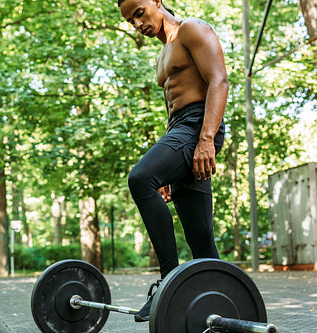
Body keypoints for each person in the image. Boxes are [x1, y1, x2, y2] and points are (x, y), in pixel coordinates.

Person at [117, 0, 229, 322]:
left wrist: (206, 139)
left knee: (139, 178)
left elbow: (218, 81)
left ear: (157, 2)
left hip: (199, 126)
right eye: (130, 21)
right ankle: (224, 308)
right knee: (201, 240)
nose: (137, 23)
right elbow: (173, 111)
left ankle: (168, 282)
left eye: (139, 12)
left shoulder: (191, 29)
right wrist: (167, 169)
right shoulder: (161, 55)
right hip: (180, 132)